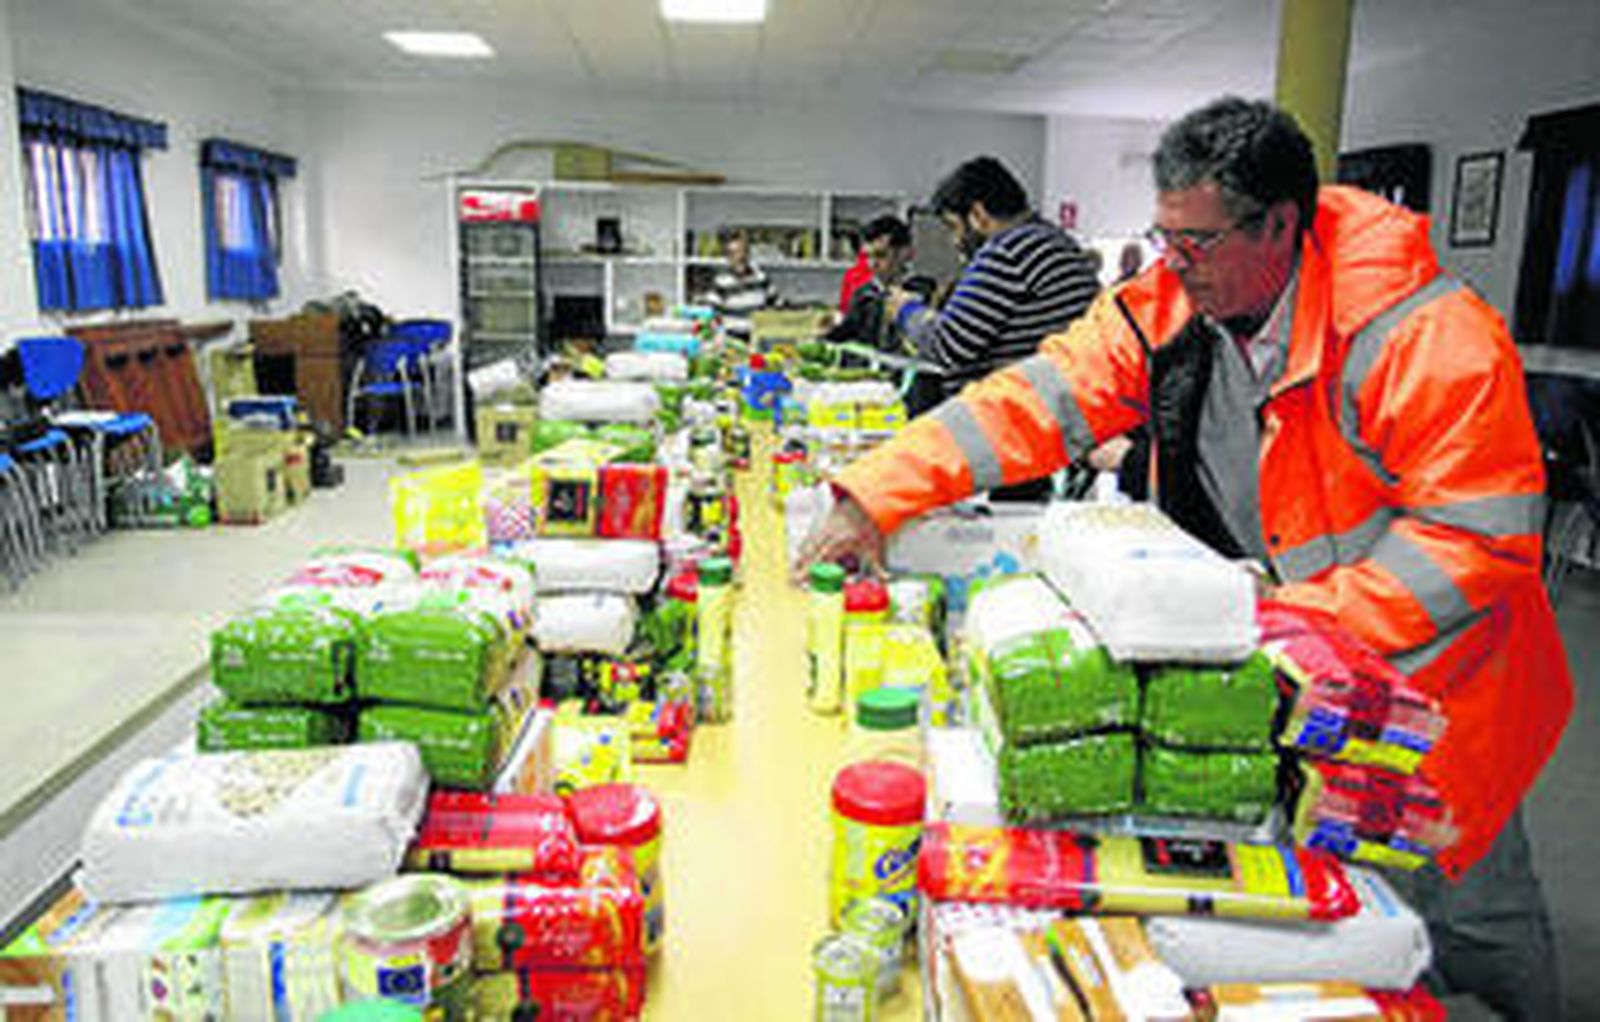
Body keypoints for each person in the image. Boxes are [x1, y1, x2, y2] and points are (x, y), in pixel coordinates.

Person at [798, 96, 1572, 1021]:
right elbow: (1038, 399)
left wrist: (1286, 612)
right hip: (1297, 664)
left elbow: (1478, 540)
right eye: (1166, 238)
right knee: (1339, 909)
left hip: (1439, 693)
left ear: (1281, 223)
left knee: (1471, 911)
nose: (1175, 264)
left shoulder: (1421, 333)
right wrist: (874, 488)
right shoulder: (1171, 301)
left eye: (1197, 242)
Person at [887, 156, 1101, 401]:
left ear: (978, 214)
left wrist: (906, 310)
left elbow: (947, 346)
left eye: (953, 227)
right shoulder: (1055, 241)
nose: (954, 241)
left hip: (1019, 417)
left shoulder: (1008, 250)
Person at [825, 214, 913, 352]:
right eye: (867, 256)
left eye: (881, 255)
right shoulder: (863, 294)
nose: (872, 264)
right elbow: (848, 332)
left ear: (904, 253)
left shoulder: (923, 292)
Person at [708, 228, 776, 341]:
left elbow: (776, 306)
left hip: (757, 339)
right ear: (728, 257)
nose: (739, 257)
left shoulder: (761, 278)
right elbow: (712, 314)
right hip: (731, 340)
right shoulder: (721, 281)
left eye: (742, 251)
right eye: (732, 253)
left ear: (748, 253)